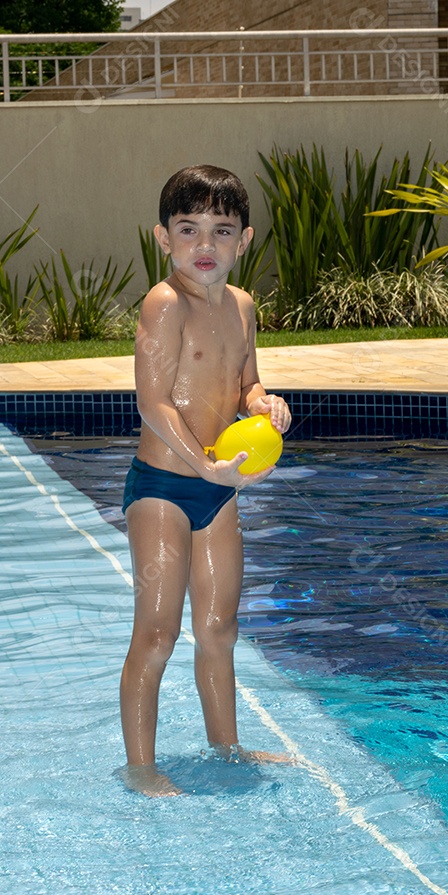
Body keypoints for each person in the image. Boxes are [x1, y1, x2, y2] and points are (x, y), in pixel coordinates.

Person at [120, 165, 293, 796]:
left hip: (218, 488)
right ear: (163, 237)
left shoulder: (243, 306)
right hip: (164, 488)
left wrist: (265, 403)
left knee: (219, 629)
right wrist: (203, 466)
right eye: (188, 229)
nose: (204, 246)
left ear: (243, 240)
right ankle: (141, 766)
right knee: (159, 631)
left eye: (220, 232)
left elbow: (245, 381)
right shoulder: (164, 305)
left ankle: (228, 748)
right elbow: (154, 405)